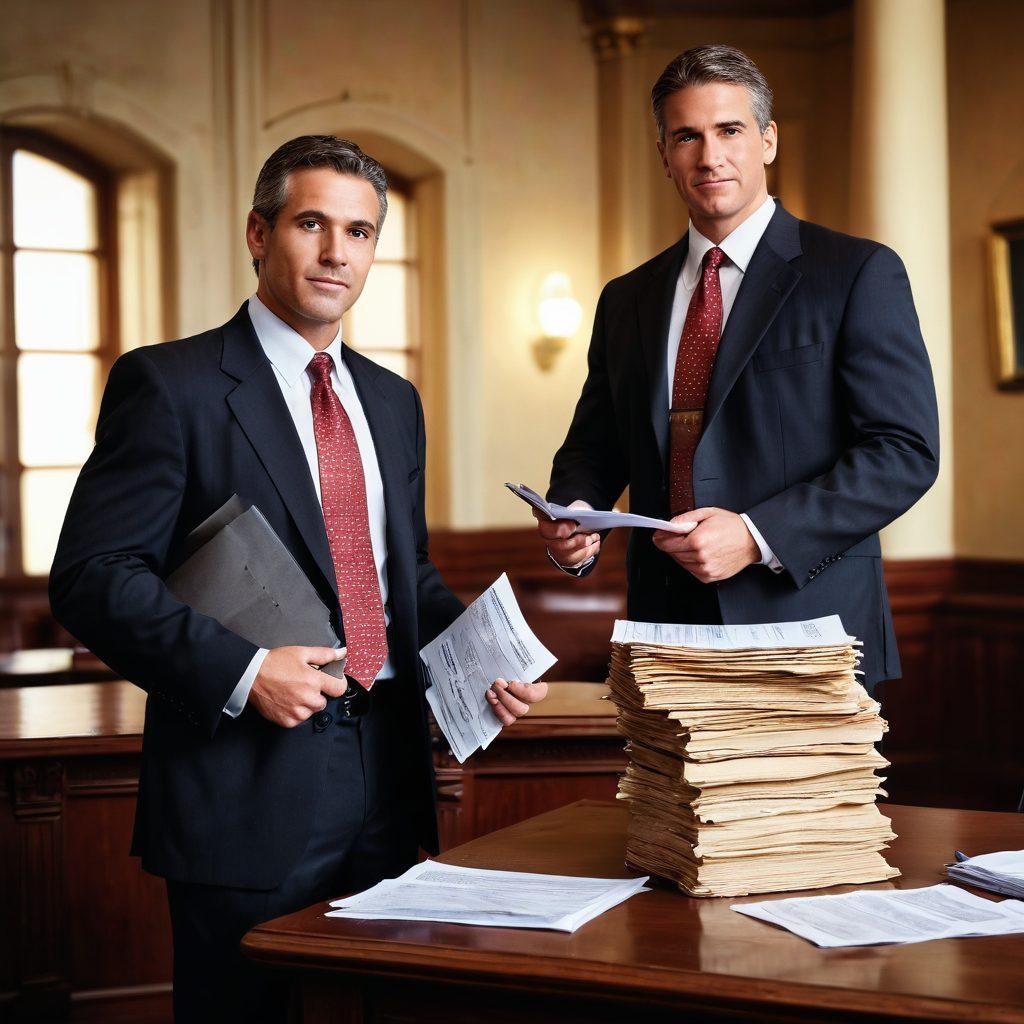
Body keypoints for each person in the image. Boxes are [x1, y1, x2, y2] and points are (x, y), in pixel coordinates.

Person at [49, 135, 546, 1024]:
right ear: (258, 232)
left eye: (358, 232)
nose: (334, 252)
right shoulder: (173, 385)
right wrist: (244, 673)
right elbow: (92, 577)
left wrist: (475, 653)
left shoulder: (393, 402)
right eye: (311, 223)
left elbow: (404, 578)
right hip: (245, 781)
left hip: (391, 774)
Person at [537, 45, 938, 691]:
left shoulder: (855, 272)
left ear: (768, 140)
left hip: (807, 628)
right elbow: (596, 443)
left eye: (729, 130)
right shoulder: (627, 298)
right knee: (668, 798)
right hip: (666, 633)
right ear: (664, 156)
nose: (709, 155)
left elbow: (904, 452)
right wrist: (574, 515)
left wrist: (757, 535)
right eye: (686, 136)